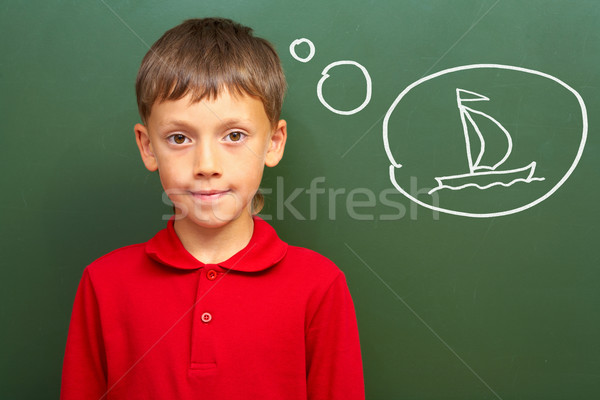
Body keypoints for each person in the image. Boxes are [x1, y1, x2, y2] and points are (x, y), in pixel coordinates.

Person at [61, 17, 364, 400]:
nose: (206, 164)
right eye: (179, 137)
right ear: (147, 146)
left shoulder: (319, 285)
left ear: (274, 142)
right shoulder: (103, 283)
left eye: (234, 135)